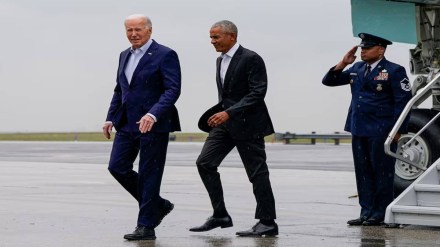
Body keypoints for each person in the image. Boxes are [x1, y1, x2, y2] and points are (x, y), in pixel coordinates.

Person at [189, 20, 278, 237]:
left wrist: (230, 112)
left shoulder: (251, 58)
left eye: (216, 37)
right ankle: (220, 214)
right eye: (211, 37)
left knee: (257, 173)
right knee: (205, 163)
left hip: (249, 124)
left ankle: (267, 221)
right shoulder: (220, 61)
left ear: (232, 36)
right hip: (225, 124)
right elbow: (227, 95)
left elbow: (258, 93)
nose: (212, 41)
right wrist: (220, 114)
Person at [102, 14, 181, 240]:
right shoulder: (124, 55)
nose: (133, 34)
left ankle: (146, 226)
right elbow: (120, 90)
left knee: (149, 174)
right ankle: (157, 204)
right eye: (129, 30)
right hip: (126, 123)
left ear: (149, 30)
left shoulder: (165, 54)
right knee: (117, 167)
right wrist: (110, 118)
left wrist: (153, 114)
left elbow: (172, 90)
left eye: (138, 29)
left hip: (153, 124)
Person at [322, 33, 412, 226]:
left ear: (381, 50)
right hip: (359, 127)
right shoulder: (356, 68)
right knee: (363, 172)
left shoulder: (394, 70)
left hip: (381, 130)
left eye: (367, 48)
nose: (362, 51)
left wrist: (398, 130)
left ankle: (380, 213)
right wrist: (343, 63)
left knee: (382, 172)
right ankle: (366, 212)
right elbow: (328, 81)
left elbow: (403, 102)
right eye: (362, 48)